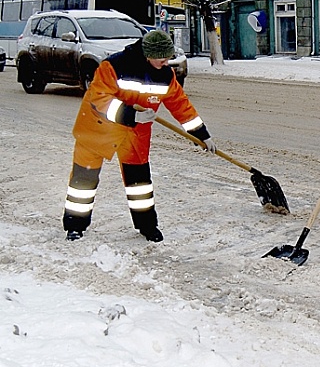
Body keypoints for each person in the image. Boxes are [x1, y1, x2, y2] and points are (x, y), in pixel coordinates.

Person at [62, 30, 216, 242]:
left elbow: (180, 105)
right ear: (148, 55)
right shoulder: (113, 66)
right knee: (84, 182)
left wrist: (201, 134)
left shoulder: (165, 75)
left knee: (140, 183)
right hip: (99, 129)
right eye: (162, 58)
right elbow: (99, 100)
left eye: (168, 58)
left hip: (135, 134)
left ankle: (147, 226)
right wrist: (132, 114)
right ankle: (75, 226)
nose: (166, 62)